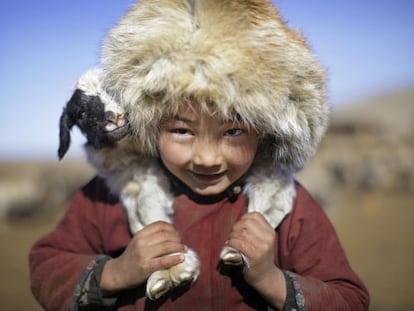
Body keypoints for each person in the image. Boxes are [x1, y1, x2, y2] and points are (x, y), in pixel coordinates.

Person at [29, 0, 370, 310]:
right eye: (182, 130)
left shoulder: (290, 209)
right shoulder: (107, 197)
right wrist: (117, 272)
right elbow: (47, 265)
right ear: (147, 124)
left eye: (234, 131)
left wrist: (271, 279)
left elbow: (350, 299)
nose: (207, 158)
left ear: (266, 130)